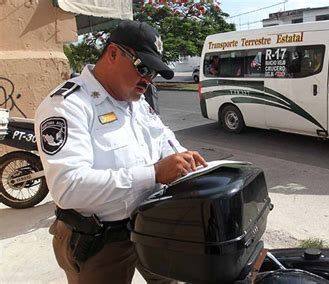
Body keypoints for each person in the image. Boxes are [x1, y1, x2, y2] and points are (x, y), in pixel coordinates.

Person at [34, 20, 207, 284]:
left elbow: (165, 142)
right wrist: (153, 174)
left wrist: (189, 162)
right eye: (143, 67)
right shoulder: (68, 106)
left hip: (151, 226)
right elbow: (68, 188)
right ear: (113, 53)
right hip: (99, 240)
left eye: (154, 72)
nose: (147, 79)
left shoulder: (137, 103)